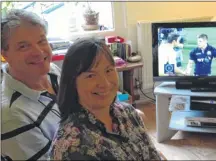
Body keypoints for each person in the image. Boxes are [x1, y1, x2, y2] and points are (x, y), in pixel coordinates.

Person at [49, 38, 161, 160]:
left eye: (108, 70)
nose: (105, 83)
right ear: (72, 83)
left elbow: (152, 155)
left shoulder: (128, 112)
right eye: (91, 75)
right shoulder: (72, 146)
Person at [1, 9, 61, 160]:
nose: (39, 52)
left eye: (42, 41)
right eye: (23, 46)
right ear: (4, 54)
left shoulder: (52, 72)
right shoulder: (11, 115)